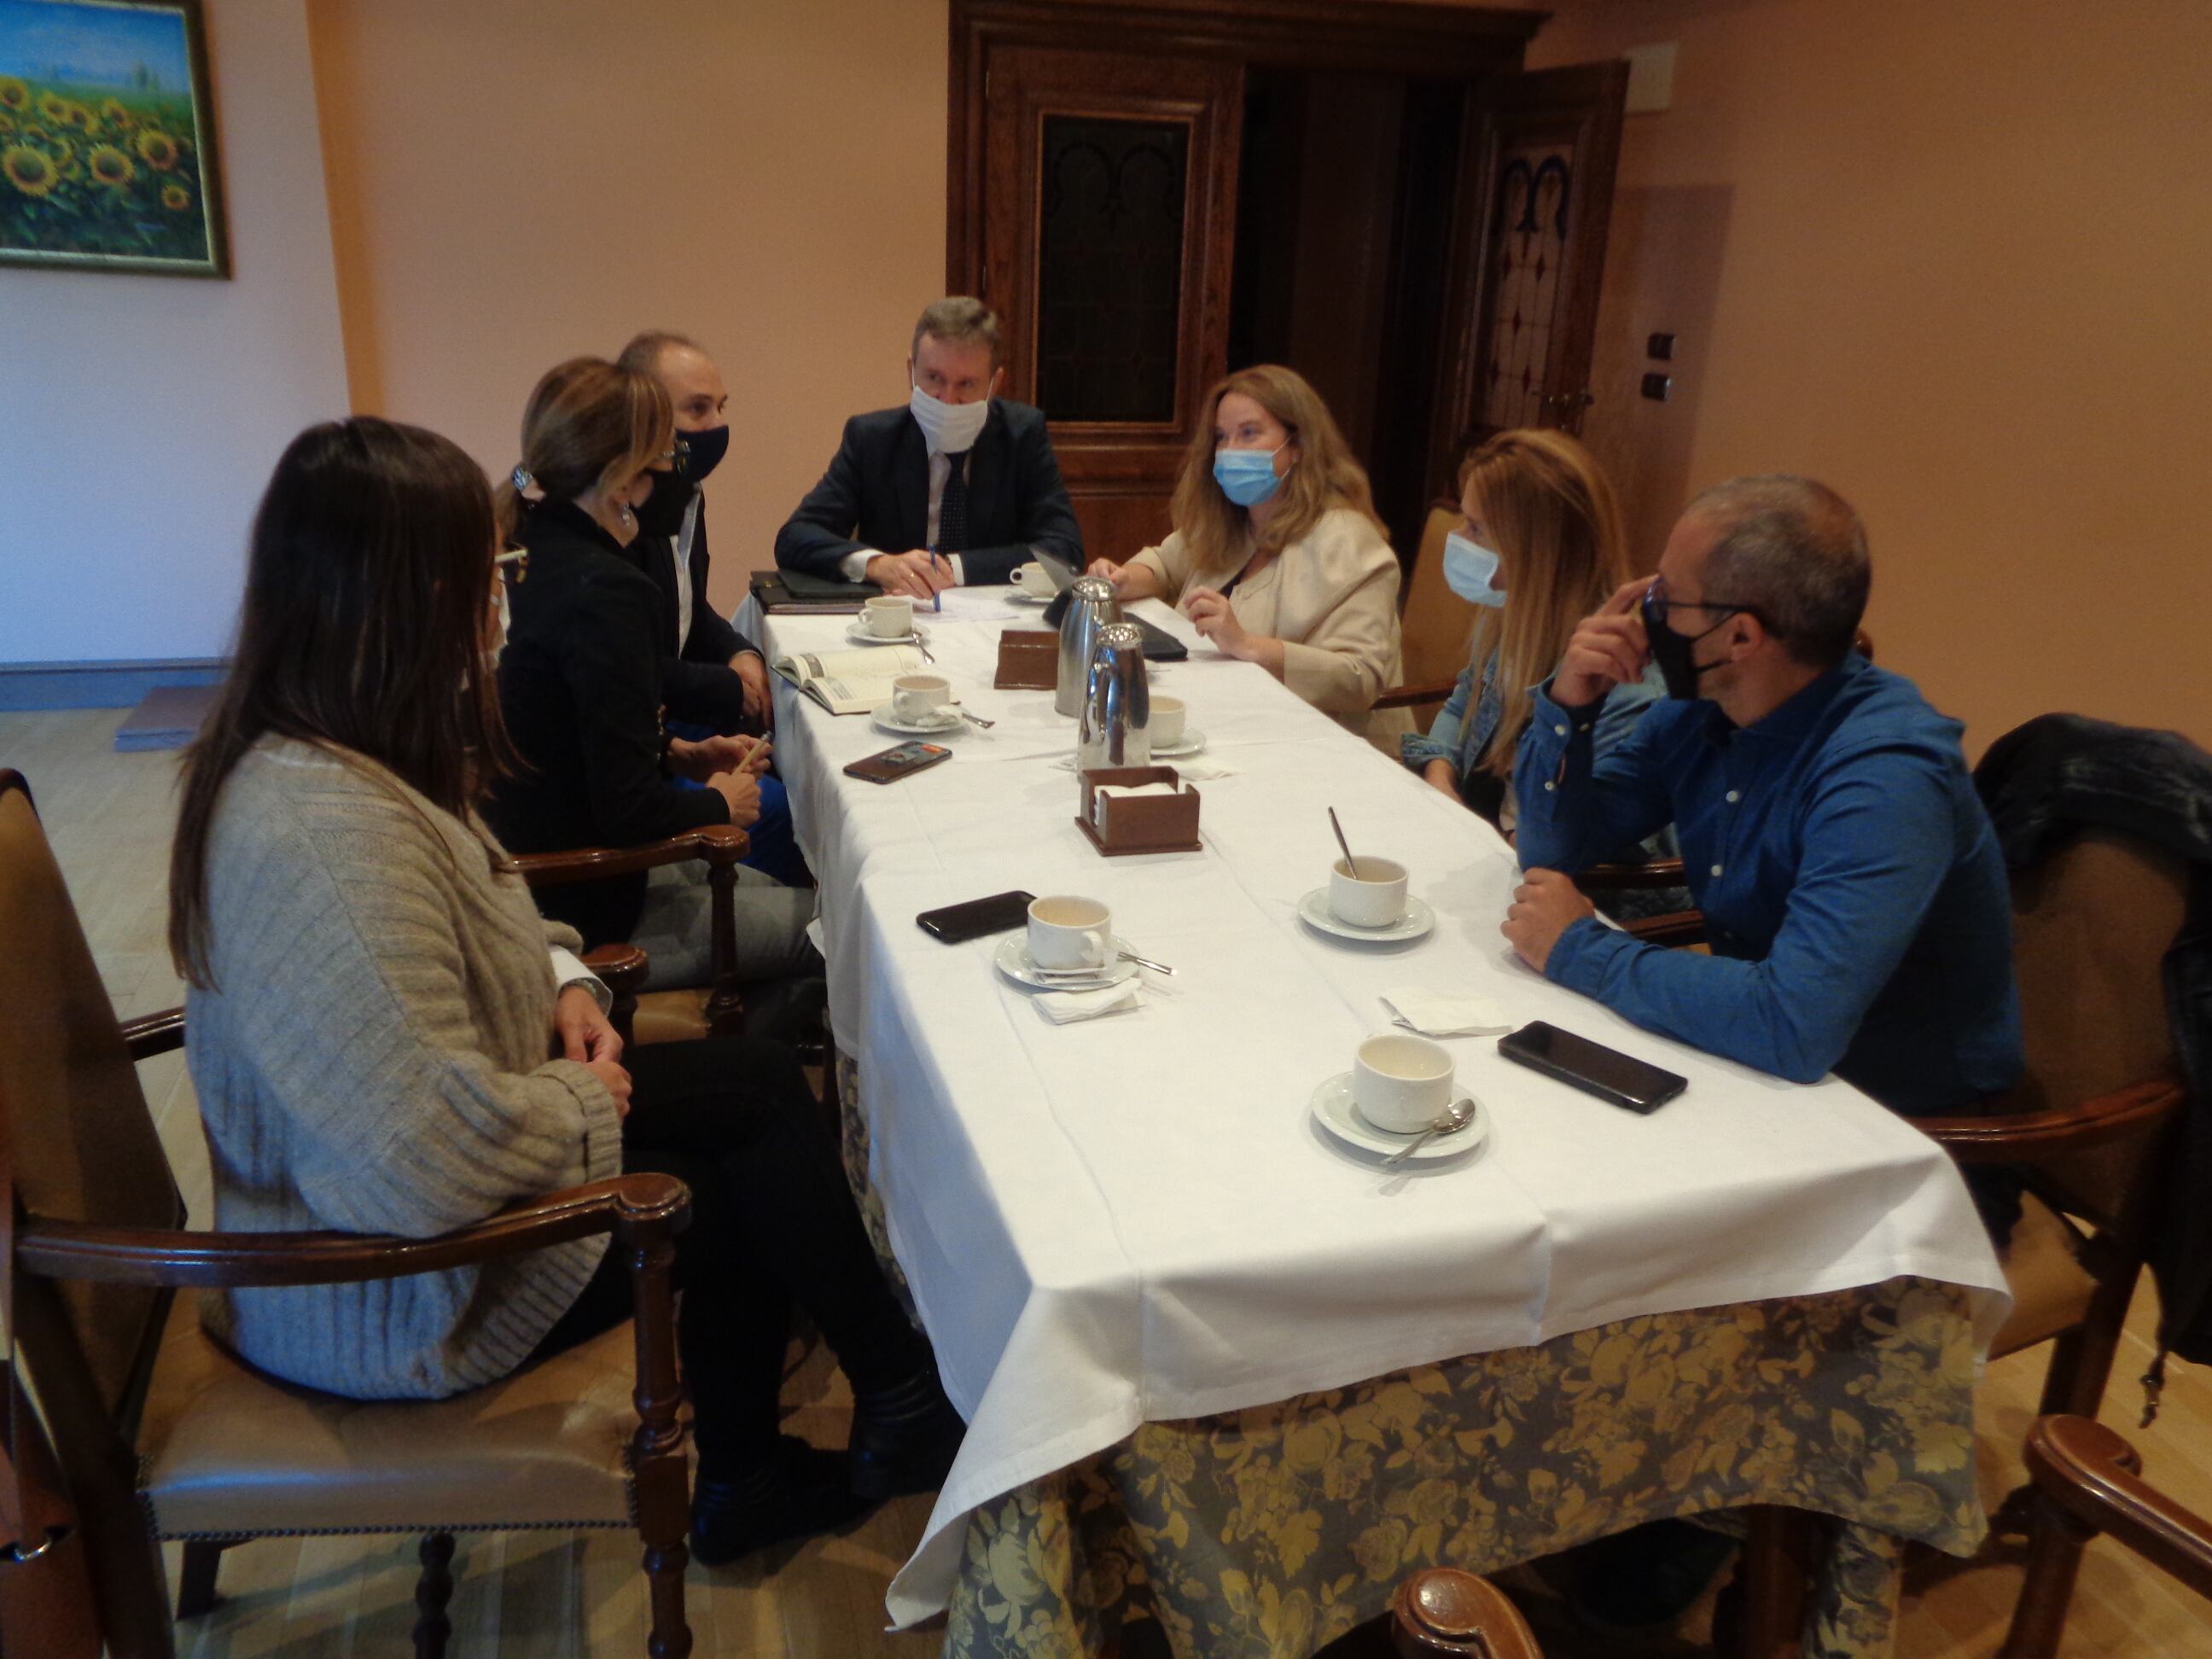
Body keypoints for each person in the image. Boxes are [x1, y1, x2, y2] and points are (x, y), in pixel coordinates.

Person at [168, 416, 962, 1566]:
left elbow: (479, 893)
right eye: (484, 573)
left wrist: (560, 976)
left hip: (428, 1173)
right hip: (383, 1290)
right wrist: (587, 1102)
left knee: (747, 1086)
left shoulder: (337, 746)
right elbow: (416, 1162)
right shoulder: (316, 833)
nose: (500, 597)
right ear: (401, 592)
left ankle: (872, 1411)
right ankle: (801, 1450)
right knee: (712, 1184)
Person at [1503, 474, 2023, 1135]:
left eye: (1666, 594)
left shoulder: (1885, 777)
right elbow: (1552, 855)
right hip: (1756, 1075)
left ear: (1739, 637)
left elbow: (1794, 1025)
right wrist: (1572, 705)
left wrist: (1579, 949)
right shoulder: (1702, 712)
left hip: (1909, 1133)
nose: (1642, 609)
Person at [486, 358, 817, 1004]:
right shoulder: (604, 587)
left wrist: (678, 752)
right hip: (589, 908)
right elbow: (629, 809)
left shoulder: (532, 544)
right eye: (663, 453)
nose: (674, 469)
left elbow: (565, 721)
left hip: (548, 863)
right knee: (832, 931)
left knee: (792, 898)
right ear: (622, 475)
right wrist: (719, 802)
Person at [1088, 364, 1403, 738]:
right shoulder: (1234, 518)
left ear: (1299, 444)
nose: (1230, 451)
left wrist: (1249, 646)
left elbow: (1361, 678)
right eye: (1222, 437)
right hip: (1226, 721)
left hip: (1316, 740)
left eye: (1249, 433)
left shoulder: (1349, 540)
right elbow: (1164, 563)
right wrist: (1124, 579)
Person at [1400, 428, 1666, 835]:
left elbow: (1583, 841)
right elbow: (1460, 706)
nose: (1456, 539)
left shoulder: (1624, 673)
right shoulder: (1512, 618)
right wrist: (1441, 779)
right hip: (1482, 836)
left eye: (1475, 528)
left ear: (1535, 548)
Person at [616, 329, 806, 887]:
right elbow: (629, 665)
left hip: (662, 730)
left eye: (720, 407)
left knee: (789, 747)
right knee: (788, 813)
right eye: (697, 409)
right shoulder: (621, 522)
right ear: (643, 415)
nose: (715, 426)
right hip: (643, 737)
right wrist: (720, 692)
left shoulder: (685, 493)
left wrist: (738, 653)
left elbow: (687, 612)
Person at [774, 295, 1083, 596]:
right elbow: (796, 537)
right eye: (933, 377)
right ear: (911, 371)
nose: (947, 399)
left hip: (990, 624)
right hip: (898, 616)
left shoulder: (1022, 435)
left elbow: (1063, 551)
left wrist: (952, 568)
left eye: (966, 384)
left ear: (995, 383)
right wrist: (877, 565)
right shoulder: (872, 439)